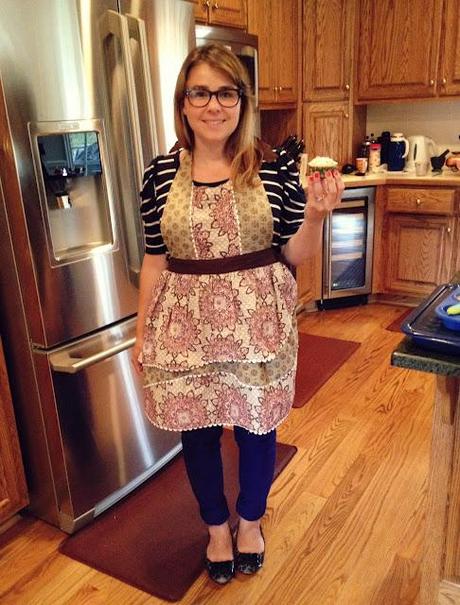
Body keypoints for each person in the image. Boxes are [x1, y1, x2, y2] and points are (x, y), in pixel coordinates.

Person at [132, 42, 344, 585]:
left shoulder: (271, 168)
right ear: (183, 104)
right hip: (184, 326)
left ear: (241, 102)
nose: (213, 105)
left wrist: (317, 216)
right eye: (200, 92)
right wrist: (141, 331)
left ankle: (249, 523)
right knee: (198, 432)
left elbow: (293, 255)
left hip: (258, 324)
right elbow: (155, 259)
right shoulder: (158, 174)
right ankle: (216, 531)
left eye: (226, 92)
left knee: (256, 427)